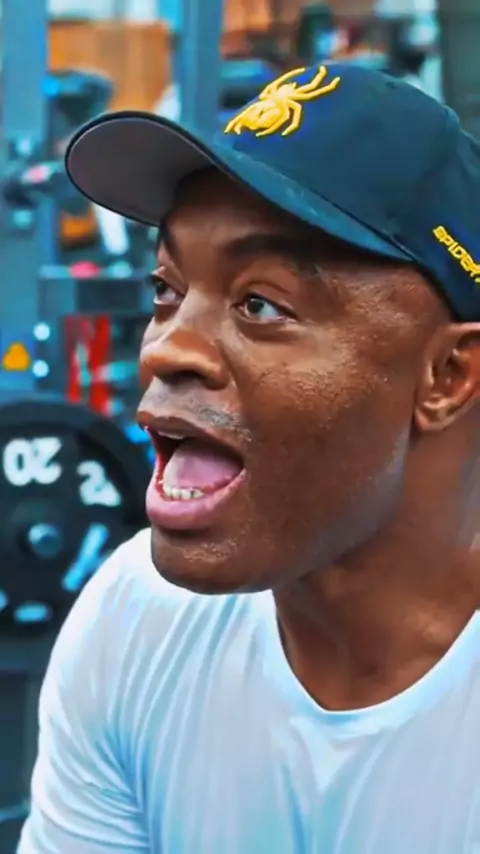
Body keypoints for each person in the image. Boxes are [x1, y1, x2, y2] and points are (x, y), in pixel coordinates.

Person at [18, 62, 480, 853]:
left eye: (261, 304)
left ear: (447, 376)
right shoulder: (134, 621)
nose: (167, 348)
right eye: (167, 291)